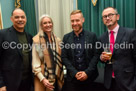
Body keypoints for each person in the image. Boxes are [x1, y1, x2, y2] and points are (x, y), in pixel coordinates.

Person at [61, 10, 100, 91]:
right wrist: (75, 73)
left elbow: (96, 55)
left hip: (90, 78)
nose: (75, 23)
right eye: (72, 21)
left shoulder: (92, 36)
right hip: (72, 80)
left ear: (83, 20)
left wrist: (87, 73)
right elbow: (64, 57)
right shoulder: (66, 37)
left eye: (77, 20)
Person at [99, 7, 136, 91]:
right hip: (109, 83)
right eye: (105, 16)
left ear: (118, 17)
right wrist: (101, 58)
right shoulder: (102, 37)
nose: (107, 18)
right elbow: (100, 57)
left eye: (110, 15)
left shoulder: (130, 33)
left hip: (128, 83)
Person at [0, 8, 33, 91]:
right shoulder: (3, 34)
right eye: (17, 17)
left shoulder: (30, 37)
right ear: (11, 19)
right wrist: (1, 84)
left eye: (22, 17)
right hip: (10, 84)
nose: (20, 19)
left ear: (26, 19)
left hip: (28, 83)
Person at [32, 14, 64, 91]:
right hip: (43, 77)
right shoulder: (36, 41)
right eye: (45, 23)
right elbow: (35, 64)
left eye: (49, 22)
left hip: (57, 76)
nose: (48, 25)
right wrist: (43, 79)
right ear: (41, 26)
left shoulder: (58, 40)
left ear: (52, 24)